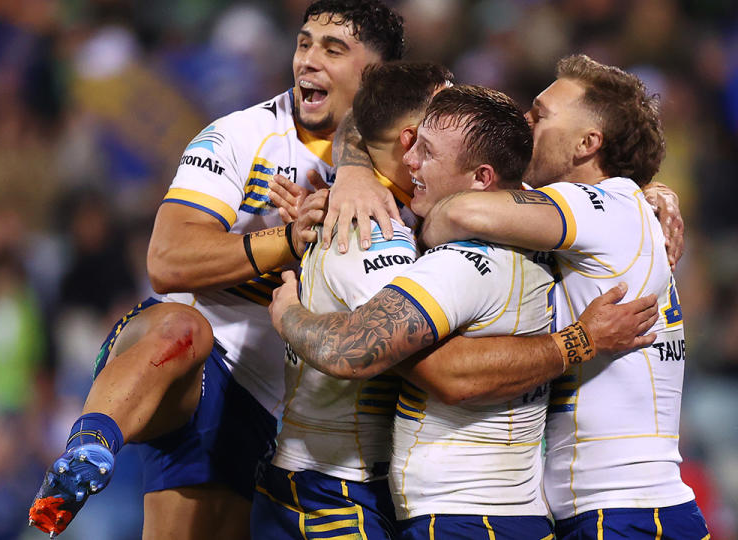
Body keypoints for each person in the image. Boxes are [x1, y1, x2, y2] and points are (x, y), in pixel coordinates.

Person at [27, 2, 405, 538]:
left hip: (289, 417)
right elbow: (166, 260)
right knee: (186, 329)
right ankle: (89, 449)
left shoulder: (412, 159)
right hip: (196, 367)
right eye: (303, 43)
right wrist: (288, 240)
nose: (308, 61)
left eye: (333, 49)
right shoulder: (241, 135)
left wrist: (358, 171)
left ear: (378, 75)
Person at [254, 63, 659, 540]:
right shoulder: (382, 226)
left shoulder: (460, 254)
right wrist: (353, 170)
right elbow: (361, 121)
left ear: (482, 176)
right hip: (369, 492)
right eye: (413, 142)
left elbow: (397, 359)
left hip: (452, 514)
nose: (412, 161)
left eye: (427, 150)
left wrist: (288, 314)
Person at [418, 54, 710, 539]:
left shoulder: (599, 205)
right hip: (634, 508)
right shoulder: (623, 210)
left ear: (587, 143)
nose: (525, 122)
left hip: (623, 514)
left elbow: (459, 212)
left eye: (540, 113)